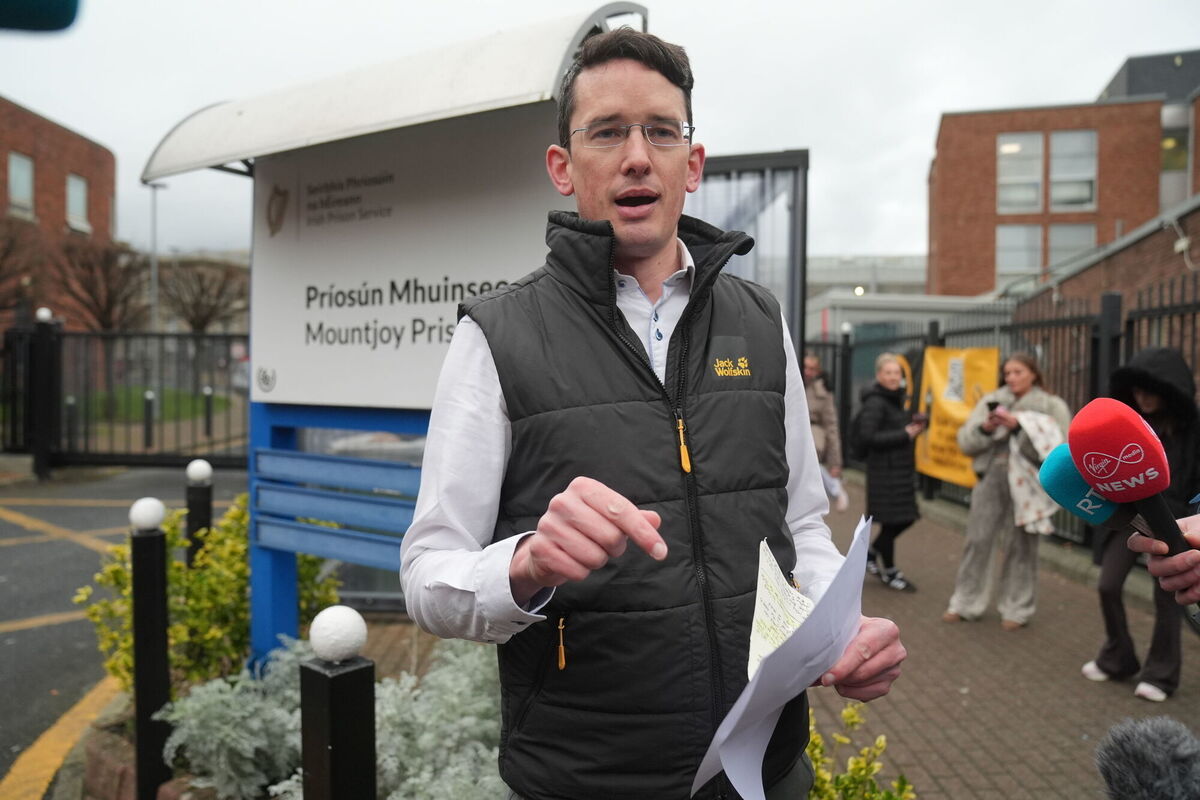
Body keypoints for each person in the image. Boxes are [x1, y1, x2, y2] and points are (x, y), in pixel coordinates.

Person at [399, 28, 905, 800]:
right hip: (586, 780)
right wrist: (527, 563)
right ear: (563, 168)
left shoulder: (759, 319)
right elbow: (427, 574)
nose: (638, 156)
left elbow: (802, 525)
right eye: (607, 131)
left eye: (662, 132)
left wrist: (840, 632)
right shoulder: (496, 336)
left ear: (691, 165)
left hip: (767, 771)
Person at [1081, 347, 1198, 702]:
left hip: (1178, 522)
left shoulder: (1192, 430)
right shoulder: (1127, 426)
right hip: (1131, 519)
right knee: (1108, 584)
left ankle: (1161, 675)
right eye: (1137, 390)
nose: (1142, 397)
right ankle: (1118, 657)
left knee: (1169, 597)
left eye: (1150, 390)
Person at [942, 352, 1070, 630]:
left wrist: (1020, 430)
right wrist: (986, 429)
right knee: (977, 539)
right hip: (991, 475)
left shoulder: (1051, 405)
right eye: (1007, 373)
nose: (1011, 378)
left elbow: (1060, 452)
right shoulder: (991, 400)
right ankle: (965, 602)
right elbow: (965, 442)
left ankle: (1017, 608)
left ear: (1033, 373)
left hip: (1030, 485)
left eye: (1018, 372)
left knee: (1022, 545)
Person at [858, 352, 927, 590]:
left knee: (902, 519)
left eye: (896, 373)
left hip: (898, 472)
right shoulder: (876, 402)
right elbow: (868, 437)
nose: (893, 377)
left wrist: (912, 429)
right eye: (888, 372)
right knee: (893, 522)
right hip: (884, 473)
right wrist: (904, 434)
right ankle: (889, 571)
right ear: (879, 375)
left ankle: (871, 555)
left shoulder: (895, 398)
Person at [803, 352, 849, 512]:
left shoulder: (823, 393)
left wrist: (835, 463)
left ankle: (835, 488)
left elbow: (831, 427)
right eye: (805, 367)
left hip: (812, 439)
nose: (808, 372)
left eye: (812, 368)